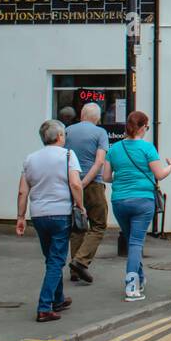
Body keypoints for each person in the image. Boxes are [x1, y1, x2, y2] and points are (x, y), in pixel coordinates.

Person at [16, 119, 83, 322]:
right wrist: (81, 206)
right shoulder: (68, 156)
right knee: (56, 260)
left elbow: (22, 191)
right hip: (61, 213)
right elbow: (75, 184)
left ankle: (58, 299)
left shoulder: (30, 159)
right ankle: (44, 307)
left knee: (51, 258)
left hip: (39, 215)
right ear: (60, 136)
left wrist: (20, 216)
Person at [103, 111, 171, 301]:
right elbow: (159, 174)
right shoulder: (147, 148)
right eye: (147, 127)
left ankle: (139, 278)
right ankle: (131, 287)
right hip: (143, 201)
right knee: (135, 243)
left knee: (132, 240)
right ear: (142, 127)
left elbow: (106, 177)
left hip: (119, 201)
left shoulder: (114, 149)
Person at [65, 103, 109, 284]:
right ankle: (80, 261)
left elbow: (63, 156)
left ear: (81, 115)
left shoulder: (67, 131)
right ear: (97, 118)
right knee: (98, 225)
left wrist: (75, 182)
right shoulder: (100, 133)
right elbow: (99, 162)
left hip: (70, 182)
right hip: (92, 184)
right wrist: (84, 182)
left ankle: (75, 270)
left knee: (77, 224)